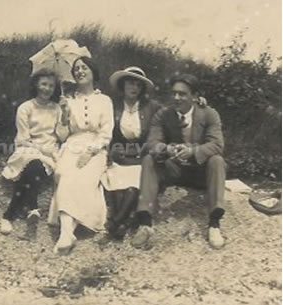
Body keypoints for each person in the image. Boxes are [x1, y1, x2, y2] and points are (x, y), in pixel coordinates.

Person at [131, 73, 226, 249]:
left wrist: (193, 151)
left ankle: (214, 223)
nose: (176, 97)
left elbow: (217, 144)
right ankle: (145, 222)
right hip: (174, 170)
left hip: (200, 172)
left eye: (182, 94)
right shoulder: (163, 115)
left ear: (195, 97)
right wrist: (166, 149)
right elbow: (151, 143)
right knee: (149, 159)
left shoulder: (209, 114)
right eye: (174, 93)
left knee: (217, 160)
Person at [48, 56, 114, 254]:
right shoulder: (68, 100)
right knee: (64, 174)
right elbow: (61, 135)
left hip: (95, 147)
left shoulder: (104, 100)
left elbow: (106, 132)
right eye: (76, 69)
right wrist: (65, 115)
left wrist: (91, 151)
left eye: (84, 67)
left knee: (83, 178)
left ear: (93, 72)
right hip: (71, 145)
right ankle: (68, 233)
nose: (80, 71)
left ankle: (66, 233)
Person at [0, 68, 66, 238]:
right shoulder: (25, 107)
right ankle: (33, 210)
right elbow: (23, 138)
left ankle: (9, 215)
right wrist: (41, 149)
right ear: (36, 84)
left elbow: (62, 135)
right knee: (34, 164)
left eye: (51, 85)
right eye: (44, 84)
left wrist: (65, 115)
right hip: (27, 148)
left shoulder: (57, 108)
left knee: (33, 169)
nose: (47, 89)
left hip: (50, 151)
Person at [100, 66, 160, 241]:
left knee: (133, 187)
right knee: (116, 186)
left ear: (142, 89)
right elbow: (102, 127)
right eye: (130, 83)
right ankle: (123, 225)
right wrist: (111, 149)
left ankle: (115, 225)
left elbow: (175, 114)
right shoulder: (113, 105)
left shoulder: (151, 107)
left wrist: (197, 102)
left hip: (141, 157)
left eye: (138, 85)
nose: (134, 88)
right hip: (120, 156)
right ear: (123, 85)